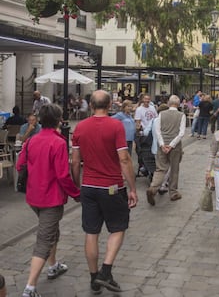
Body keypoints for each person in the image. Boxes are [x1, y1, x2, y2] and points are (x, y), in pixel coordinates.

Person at [71, 90, 138, 294]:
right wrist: (132, 188)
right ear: (110, 106)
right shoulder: (115, 126)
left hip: (89, 186)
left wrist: (77, 185)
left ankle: (94, 278)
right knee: (118, 227)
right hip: (111, 186)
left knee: (91, 232)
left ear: (91, 105)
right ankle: (105, 271)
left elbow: (75, 161)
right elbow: (124, 159)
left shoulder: (80, 127)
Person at [16, 104, 80, 297]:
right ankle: (30, 287)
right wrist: (77, 193)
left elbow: (20, 165)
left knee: (52, 230)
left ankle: (53, 266)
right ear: (59, 120)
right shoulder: (58, 143)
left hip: (33, 196)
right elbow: (63, 175)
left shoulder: (32, 140)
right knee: (44, 239)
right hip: (51, 198)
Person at [146, 95, 186, 205]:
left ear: (168, 103)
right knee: (174, 169)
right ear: (178, 104)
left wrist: (163, 144)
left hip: (161, 145)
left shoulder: (161, 114)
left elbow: (157, 130)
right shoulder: (181, 115)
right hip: (175, 146)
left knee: (160, 169)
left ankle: (153, 188)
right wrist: (172, 145)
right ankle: (173, 192)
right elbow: (181, 133)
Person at [134, 94, 158, 176]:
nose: (147, 101)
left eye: (148, 99)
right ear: (142, 100)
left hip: (152, 132)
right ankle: (143, 166)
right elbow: (138, 122)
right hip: (143, 133)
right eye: (145, 99)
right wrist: (139, 130)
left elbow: (156, 118)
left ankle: (151, 167)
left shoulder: (152, 108)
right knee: (142, 151)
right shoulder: (139, 109)